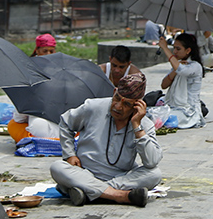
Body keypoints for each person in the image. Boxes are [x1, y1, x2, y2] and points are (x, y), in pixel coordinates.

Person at [50, 72, 161, 207]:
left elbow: (152, 161)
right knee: (57, 167)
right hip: (84, 173)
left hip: (119, 178)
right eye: (117, 98)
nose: (118, 106)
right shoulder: (92, 107)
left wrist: (137, 126)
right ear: (114, 91)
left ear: (137, 105)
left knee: (154, 174)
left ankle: (90, 193)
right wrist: (69, 154)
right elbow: (66, 123)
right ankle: (120, 196)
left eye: (126, 104)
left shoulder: (144, 124)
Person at [156, 32, 204, 129]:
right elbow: (164, 85)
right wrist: (174, 71)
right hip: (172, 106)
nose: (175, 52)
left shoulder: (195, 66)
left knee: (165, 119)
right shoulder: (178, 65)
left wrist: (165, 48)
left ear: (188, 50)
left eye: (178, 49)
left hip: (188, 111)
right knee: (150, 114)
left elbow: (181, 70)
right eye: (174, 48)